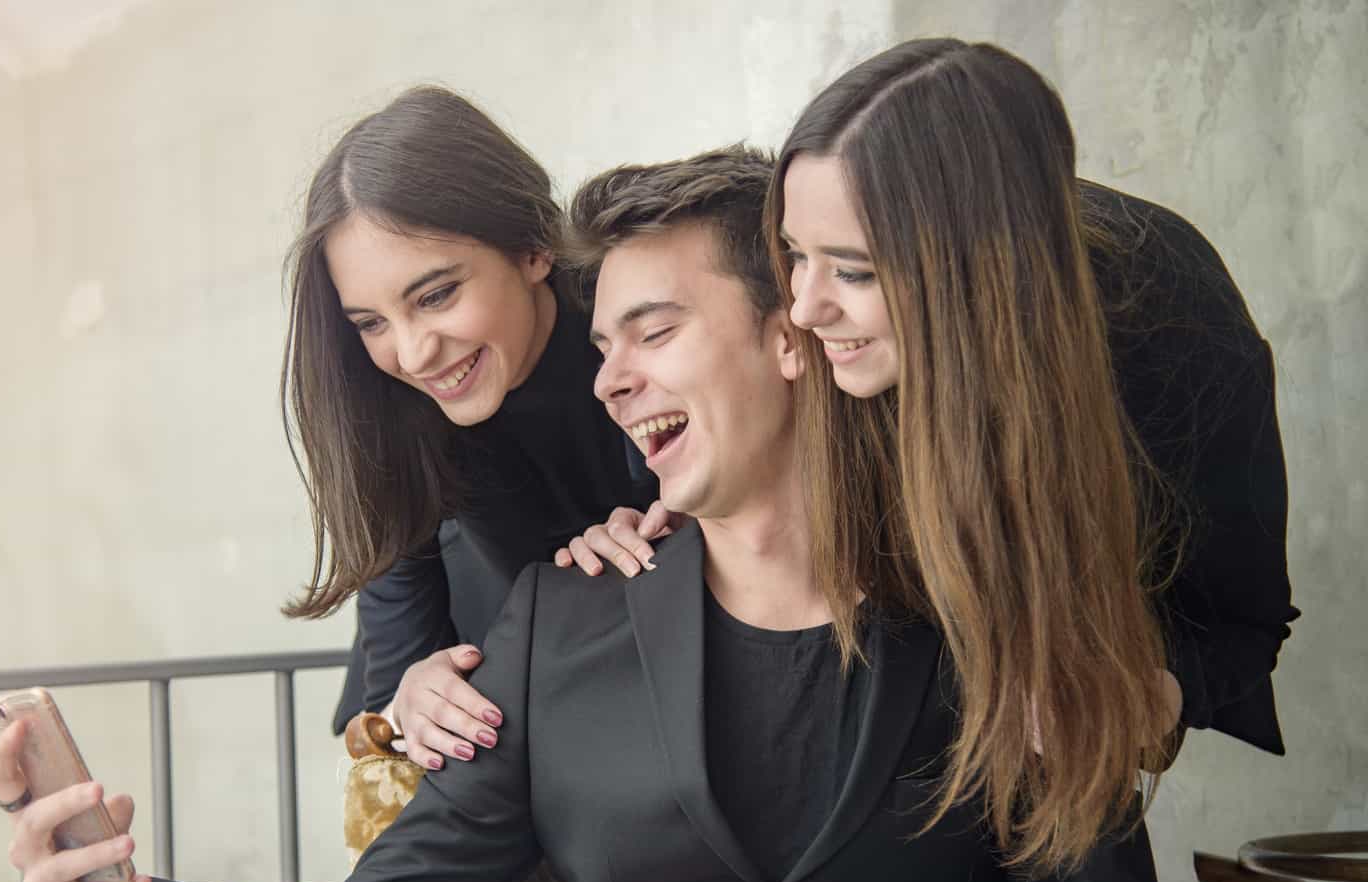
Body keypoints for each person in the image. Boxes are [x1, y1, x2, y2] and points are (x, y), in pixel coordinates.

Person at [0, 146, 1172, 882]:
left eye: (653, 331)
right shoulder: (563, 619)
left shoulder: (998, 625)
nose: (610, 378)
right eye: (603, 344)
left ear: (790, 338)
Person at [417, 39, 1299, 819]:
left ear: (972, 269)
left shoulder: (1170, 332)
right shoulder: (814, 335)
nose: (801, 309)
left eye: (854, 271)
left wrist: (1148, 694)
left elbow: (1241, 622)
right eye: (793, 256)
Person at [277, 84, 654, 767]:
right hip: (507, 723)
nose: (414, 352)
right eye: (370, 323)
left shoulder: (636, 322)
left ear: (533, 247)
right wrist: (409, 698)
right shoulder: (392, 413)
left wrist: (671, 541)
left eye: (437, 294)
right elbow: (388, 706)